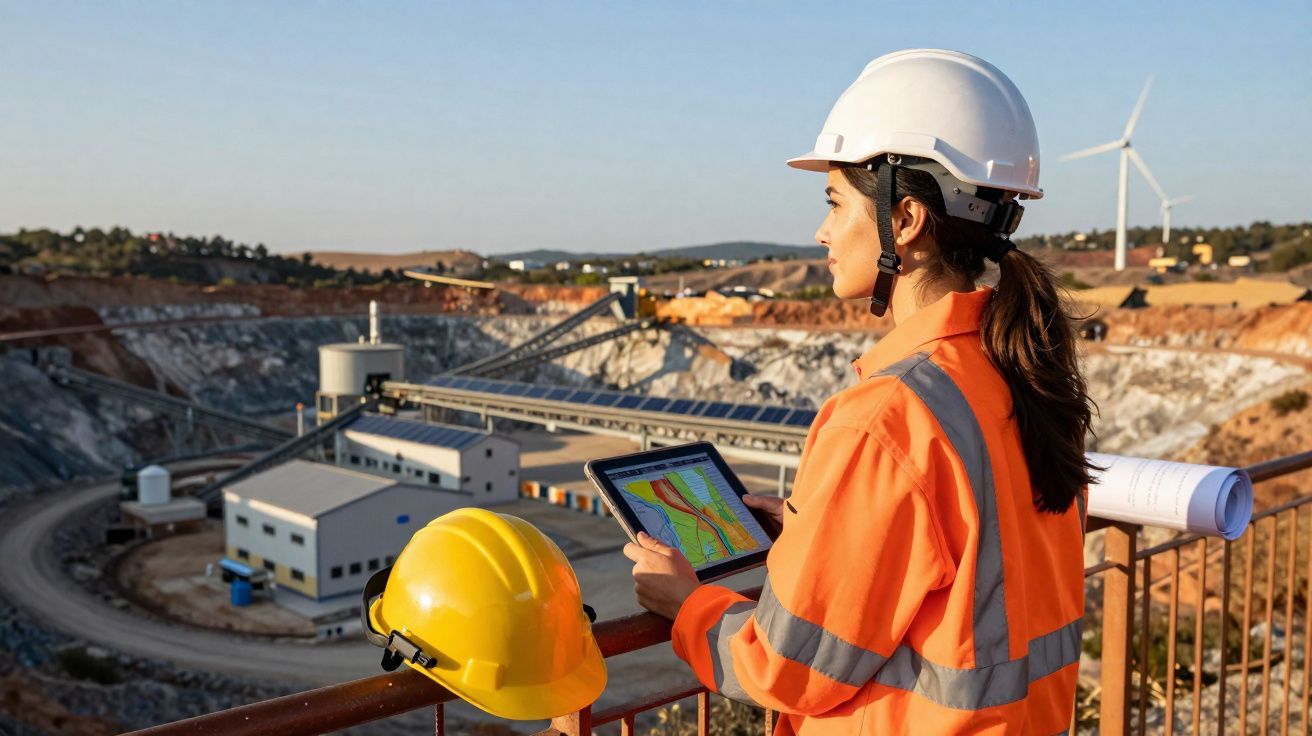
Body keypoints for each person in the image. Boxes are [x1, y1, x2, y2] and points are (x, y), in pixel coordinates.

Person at [625, 49, 1093, 734]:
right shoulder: (1021, 373)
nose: (820, 232)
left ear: (903, 222)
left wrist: (686, 604)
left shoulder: (886, 418)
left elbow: (786, 668)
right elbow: (972, 566)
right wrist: (823, 534)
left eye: (835, 201)